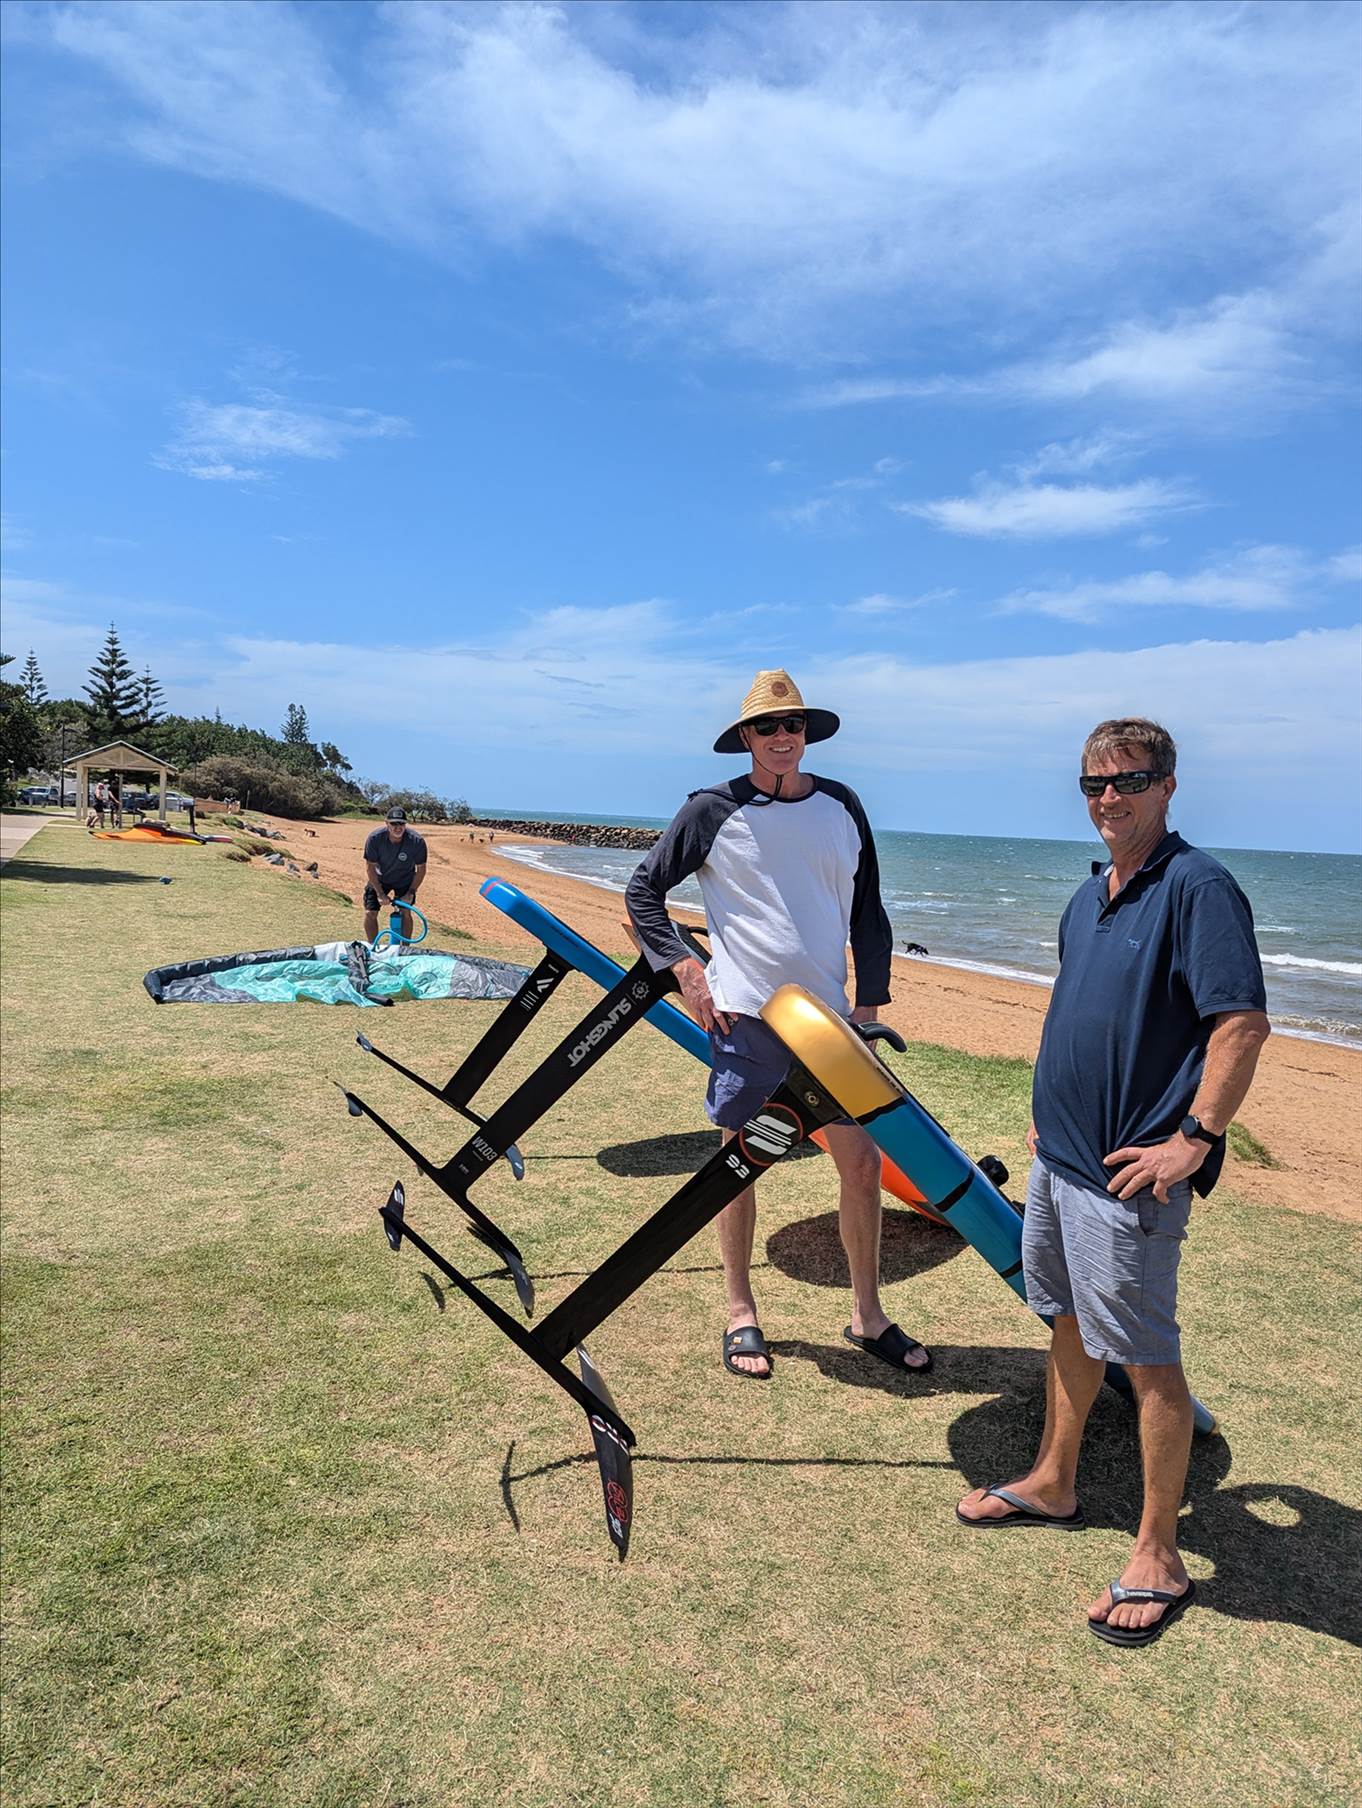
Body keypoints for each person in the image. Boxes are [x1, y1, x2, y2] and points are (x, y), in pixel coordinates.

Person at [956, 718, 1270, 1648]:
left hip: (1130, 1175)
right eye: (1094, 783)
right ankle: (1054, 1481)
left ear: (1168, 785)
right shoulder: (1089, 893)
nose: (1109, 798)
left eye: (1130, 781)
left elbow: (1240, 1024)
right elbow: (1078, 1009)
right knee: (1066, 1321)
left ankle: (1159, 1554)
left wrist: (1195, 1140)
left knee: (1146, 1356)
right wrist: (1048, 1111)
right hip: (1062, 1160)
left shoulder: (1198, 887)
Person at [626, 668, 930, 1382]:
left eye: (792, 724)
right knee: (740, 1164)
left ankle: (867, 1314)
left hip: (829, 1025)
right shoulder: (710, 809)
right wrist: (687, 970)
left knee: (862, 1165)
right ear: (746, 738)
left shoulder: (842, 805)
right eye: (766, 726)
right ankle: (741, 1310)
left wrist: (869, 1007)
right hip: (747, 1019)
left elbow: (869, 911)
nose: (782, 736)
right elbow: (644, 891)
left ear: (806, 733)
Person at [362, 808, 427, 944]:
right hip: (380, 878)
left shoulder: (416, 841)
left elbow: (421, 869)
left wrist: (410, 893)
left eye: (401, 823)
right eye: (393, 824)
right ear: (387, 823)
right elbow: (370, 868)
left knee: (406, 912)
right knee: (370, 912)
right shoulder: (374, 839)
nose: (398, 827)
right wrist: (380, 893)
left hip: (405, 879)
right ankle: (373, 947)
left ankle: (405, 949)